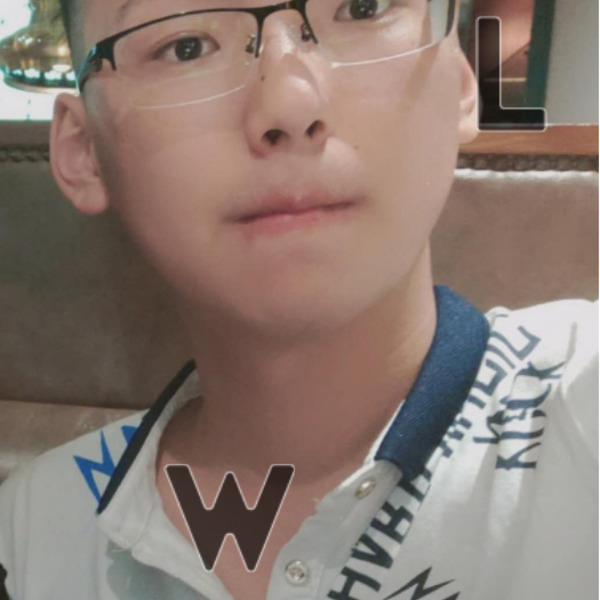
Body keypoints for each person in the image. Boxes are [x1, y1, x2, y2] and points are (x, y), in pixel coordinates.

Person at [0, 0, 597, 598]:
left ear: (461, 79)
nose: (289, 103)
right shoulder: (31, 535)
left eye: (362, 8)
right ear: (84, 149)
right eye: (186, 47)